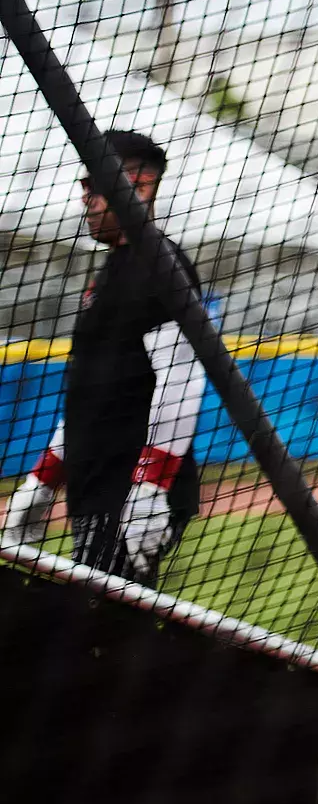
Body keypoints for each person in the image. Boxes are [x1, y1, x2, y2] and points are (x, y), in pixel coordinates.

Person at [1, 130, 204, 587]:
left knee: (98, 634)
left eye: (95, 187)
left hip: (128, 490)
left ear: (139, 185)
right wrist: (43, 479)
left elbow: (181, 383)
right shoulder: (116, 265)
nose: (86, 200)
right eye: (85, 188)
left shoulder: (160, 264)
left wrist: (151, 486)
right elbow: (92, 390)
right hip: (98, 485)